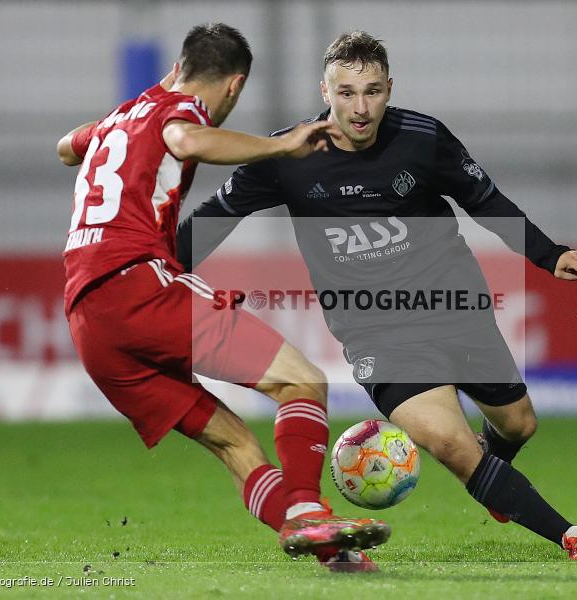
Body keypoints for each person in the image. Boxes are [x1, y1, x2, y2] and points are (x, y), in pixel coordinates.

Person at [178, 31, 577, 560]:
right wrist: (151, 268)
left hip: (453, 306)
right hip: (375, 330)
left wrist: (549, 253)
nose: (360, 108)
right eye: (346, 93)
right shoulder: (287, 153)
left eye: (372, 91)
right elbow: (211, 222)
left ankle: (495, 476)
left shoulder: (423, 139)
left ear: (390, 88)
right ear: (325, 91)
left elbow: (486, 200)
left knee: (519, 423)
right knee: (450, 445)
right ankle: (572, 535)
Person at [56, 23, 390, 572]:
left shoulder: (123, 117)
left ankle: (329, 548)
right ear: (234, 86)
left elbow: (66, 148)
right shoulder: (178, 116)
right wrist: (281, 144)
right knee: (303, 380)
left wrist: (132, 110)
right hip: (137, 285)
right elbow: (187, 140)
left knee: (236, 445)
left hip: (88, 321)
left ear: (181, 67)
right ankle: (308, 508)